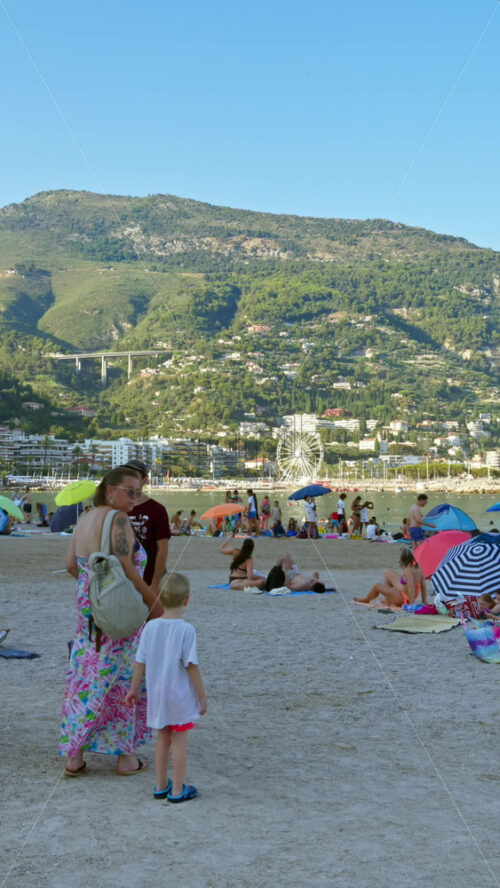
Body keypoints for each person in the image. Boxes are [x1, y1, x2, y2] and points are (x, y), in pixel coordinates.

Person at [59, 466, 163, 776]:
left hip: (88, 608)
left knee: (84, 677)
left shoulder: (84, 518)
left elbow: (70, 566)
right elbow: (125, 565)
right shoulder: (117, 519)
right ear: (109, 490)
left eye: (138, 491)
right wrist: (152, 602)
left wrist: (93, 587)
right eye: (129, 491)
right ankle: (125, 758)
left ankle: (74, 757)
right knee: (122, 680)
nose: (135, 497)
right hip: (116, 609)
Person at [126, 572, 206, 803]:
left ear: (159, 598)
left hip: (157, 695)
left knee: (162, 738)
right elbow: (191, 666)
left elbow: (139, 661)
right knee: (180, 740)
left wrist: (133, 689)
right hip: (178, 696)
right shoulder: (186, 630)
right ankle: (178, 789)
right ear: (187, 600)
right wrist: (201, 696)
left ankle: (160, 785)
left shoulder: (150, 628)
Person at [124, 459, 171, 597]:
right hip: (122, 579)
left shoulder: (157, 510)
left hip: (149, 577)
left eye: (134, 476)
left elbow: (162, 549)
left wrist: (155, 583)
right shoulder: (116, 509)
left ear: (144, 480)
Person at [354, 549, 427, 606]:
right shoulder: (417, 567)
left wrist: (411, 604)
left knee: (376, 586)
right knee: (387, 572)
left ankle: (366, 599)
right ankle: (388, 598)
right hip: (407, 594)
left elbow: (411, 586)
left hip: (403, 598)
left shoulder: (407, 569)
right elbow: (423, 584)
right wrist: (424, 600)